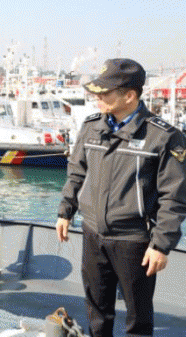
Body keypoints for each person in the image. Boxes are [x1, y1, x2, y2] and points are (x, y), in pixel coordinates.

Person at [56, 58, 186, 337]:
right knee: (96, 309)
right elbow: (77, 172)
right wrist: (65, 211)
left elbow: (173, 197)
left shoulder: (163, 137)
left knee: (138, 316)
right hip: (93, 234)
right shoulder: (91, 127)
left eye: (105, 93)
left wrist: (161, 245)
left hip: (134, 240)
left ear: (130, 96)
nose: (97, 97)